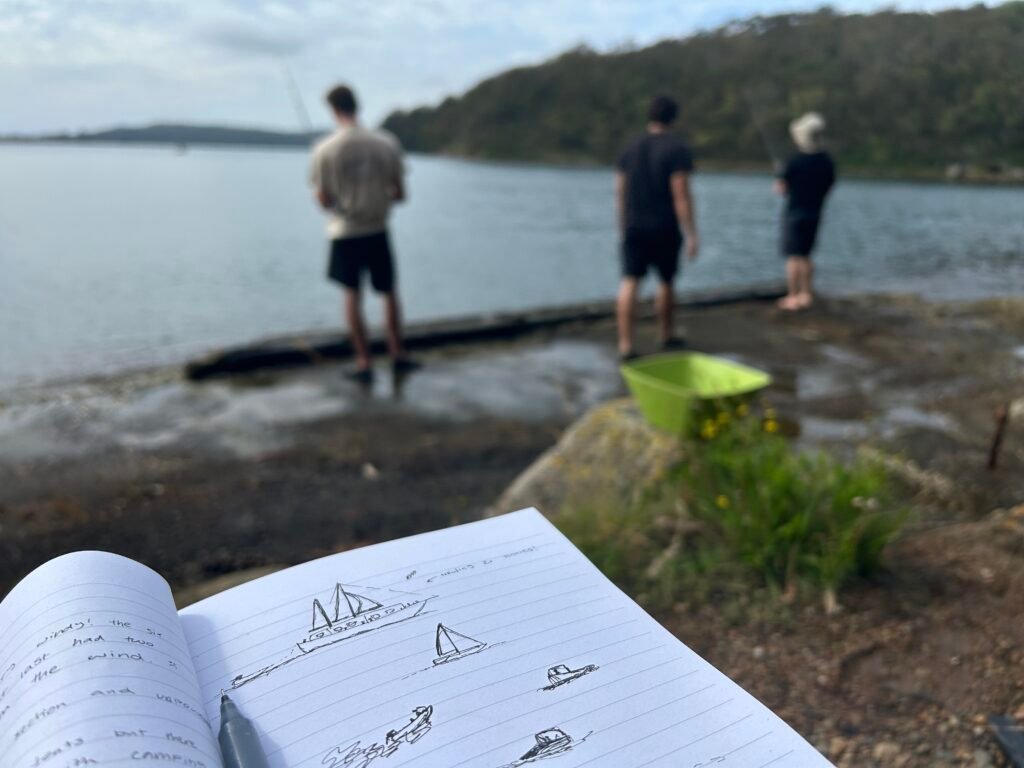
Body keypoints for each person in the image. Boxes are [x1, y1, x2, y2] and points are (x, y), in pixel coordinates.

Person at [310, 84, 418, 383]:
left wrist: (340, 200)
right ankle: (398, 355)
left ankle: (364, 362)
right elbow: (399, 194)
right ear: (357, 105)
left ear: (333, 110)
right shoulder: (387, 143)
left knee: (352, 295)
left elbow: (323, 200)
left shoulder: (324, 149)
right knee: (389, 292)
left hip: (345, 232)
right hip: (378, 229)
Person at [615, 95, 699, 361]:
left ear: (649, 116)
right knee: (666, 281)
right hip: (664, 226)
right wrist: (691, 233)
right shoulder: (677, 150)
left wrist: (621, 225)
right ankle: (665, 335)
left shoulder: (630, 148)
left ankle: (626, 345)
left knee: (630, 281)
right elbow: (681, 195)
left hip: (633, 225)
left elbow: (620, 192)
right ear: (673, 118)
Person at [774, 112, 836, 310]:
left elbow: (782, 189)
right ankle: (806, 294)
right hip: (815, 212)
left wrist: (780, 181)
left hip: (794, 212)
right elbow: (829, 188)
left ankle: (793, 296)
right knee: (807, 255)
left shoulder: (793, 160)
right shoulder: (826, 161)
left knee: (793, 256)